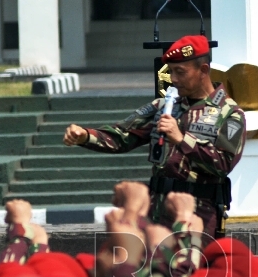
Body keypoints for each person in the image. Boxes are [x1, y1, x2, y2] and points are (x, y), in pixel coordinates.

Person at [63, 35, 246, 238]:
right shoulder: (164, 106)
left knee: (190, 267)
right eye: (171, 72)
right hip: (157, 212)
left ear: (203, 70)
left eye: (180, 72)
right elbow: (123, 135)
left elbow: (223, 164)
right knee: (153, 268)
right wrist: (85, 136)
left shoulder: (229, 113)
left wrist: (181, 139)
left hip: (198, 216)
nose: (173, 79)